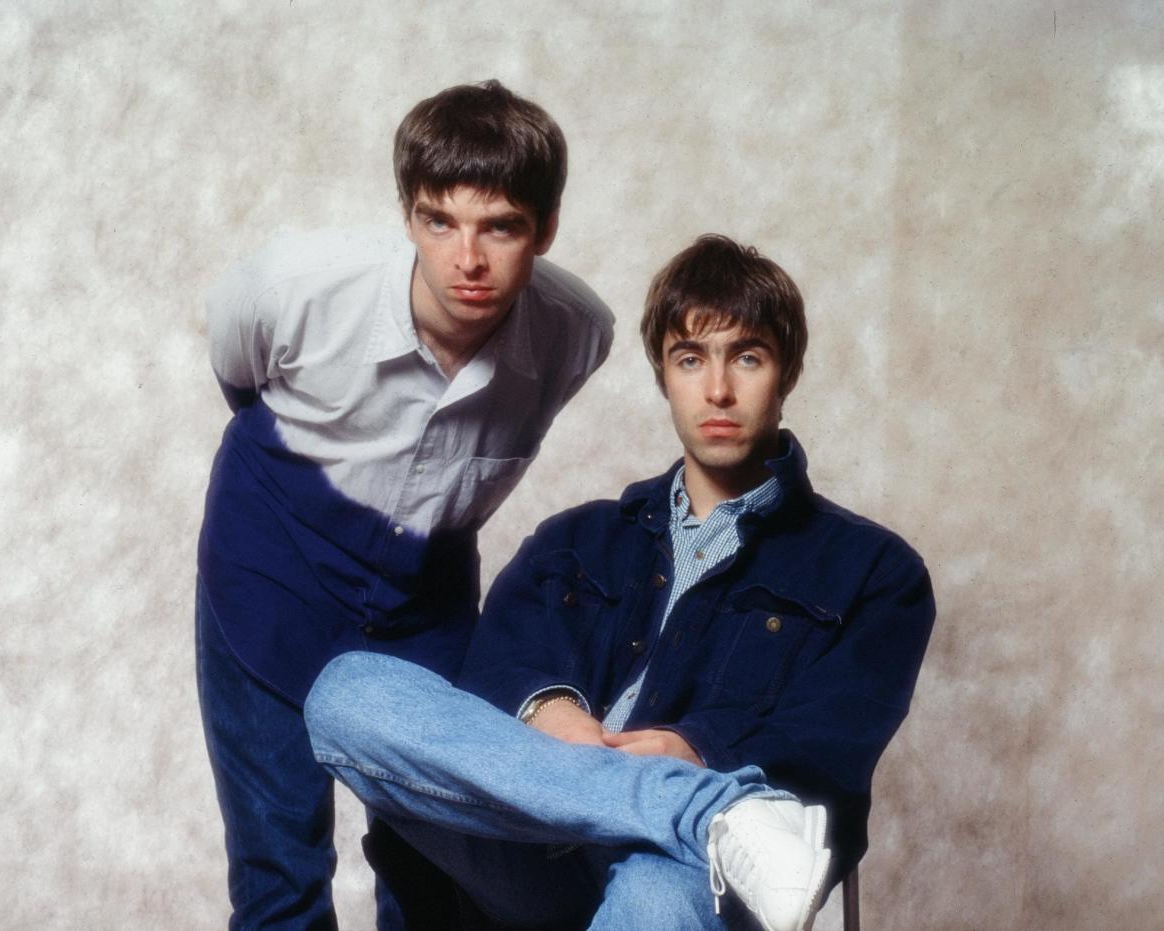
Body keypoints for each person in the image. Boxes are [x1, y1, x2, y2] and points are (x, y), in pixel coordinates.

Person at [304, 234, 936, 930]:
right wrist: (549, 710)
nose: (718, 389)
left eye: (747, 357)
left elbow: (823, 752)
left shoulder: (876, 573)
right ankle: (704, 812)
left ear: (786, 374)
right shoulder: (576, 538)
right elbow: (488, 680)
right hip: (533, 842)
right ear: (664, 376)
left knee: (652, 896)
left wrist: (696, 750)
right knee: (347, 691)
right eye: (690, 359)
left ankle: (697, 816)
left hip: (695, 880)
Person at [196, 80, 615, 929]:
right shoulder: (300, 286)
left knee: (437, 865)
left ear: (546, 228)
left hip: (425, 598)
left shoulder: (576, 333)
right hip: (269, 568)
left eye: (500, 226)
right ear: (406, 213)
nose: (467, 259)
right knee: (281, 867)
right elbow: (238, 376)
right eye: (439, 221)